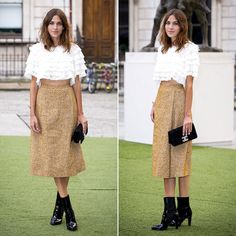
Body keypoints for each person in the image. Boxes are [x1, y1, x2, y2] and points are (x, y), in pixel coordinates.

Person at [24, 8, 88, 231]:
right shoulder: (36, 51)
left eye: (59, 23)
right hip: (44, 104)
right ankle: (67, 208)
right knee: (52, 155)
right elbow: (33, 84)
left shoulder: (74, 50)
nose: (55, 27)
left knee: (64, 155)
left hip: (67, 103)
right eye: (51, 23)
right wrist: (32, 113)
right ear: (46, 25)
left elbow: (77, 84)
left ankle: (59, 208)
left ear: (64, 26)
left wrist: (81, 113)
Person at [150, 9, 199, 231]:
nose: (170, 26)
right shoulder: (162, 48)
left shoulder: (190, 49)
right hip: (162, 98)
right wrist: (154, 103)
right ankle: (169, 212)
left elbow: (189, 84)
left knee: (180, 156)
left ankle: (184, 208)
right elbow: (161, 81)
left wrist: (187, 114)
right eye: (167, 23)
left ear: (182, 26)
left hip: (180, 101)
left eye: (175, 23)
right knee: (163, 156)